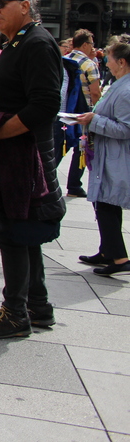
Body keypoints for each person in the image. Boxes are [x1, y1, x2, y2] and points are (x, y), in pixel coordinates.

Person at [0, 0, 66, 340]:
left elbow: (44, 104)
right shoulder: (17, 42)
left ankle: (15, 314)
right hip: (14, 153)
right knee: (22, 233)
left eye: (1, 4)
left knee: (11, 231)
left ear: (25, 6)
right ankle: (37, 307)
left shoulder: (37, 43)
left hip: (22, 157)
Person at [75, 41, 130, 276]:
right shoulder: (120, 84)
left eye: (108, 58)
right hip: (107, 154)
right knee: (103, 202)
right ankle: (108, 250)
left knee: (107, 203)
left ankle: (119, 258)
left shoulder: (126, 90)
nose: (105, 62)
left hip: (116, 156)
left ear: (121, 62)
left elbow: (126, 128)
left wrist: (94, 121)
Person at [64, 29, 102, 198]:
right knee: (81, 147)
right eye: (91, 44)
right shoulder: (89, 64)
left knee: (59, 144)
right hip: (83, 111)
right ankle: (74, 184)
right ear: (85, 44)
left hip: (64, 108)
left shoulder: (64, 59)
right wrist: (98, 109)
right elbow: (95, 92)